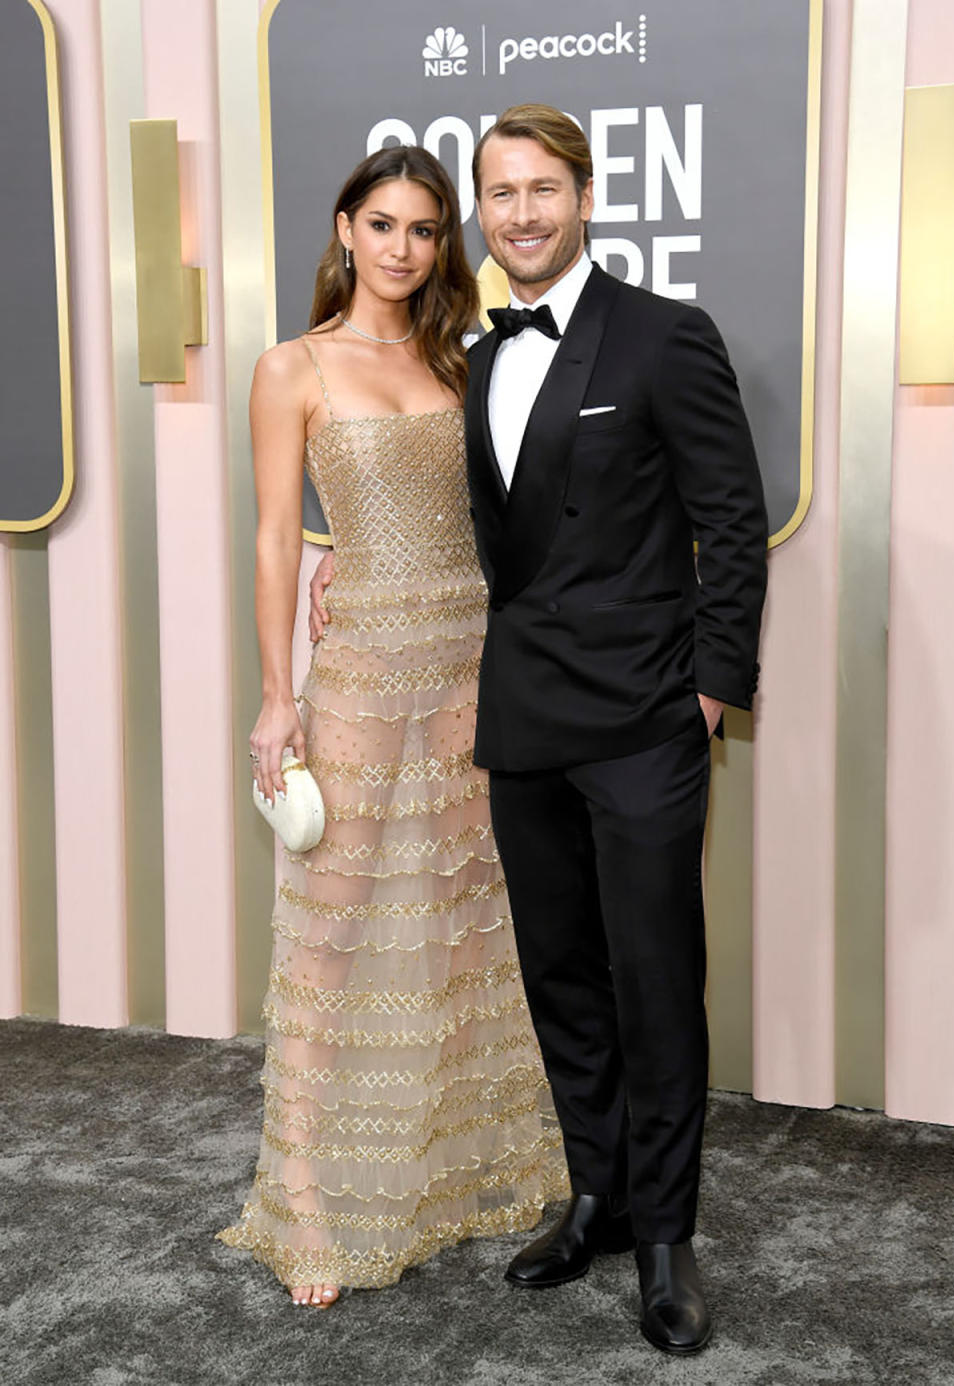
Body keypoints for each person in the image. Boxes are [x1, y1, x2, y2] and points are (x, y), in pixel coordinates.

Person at [217, 145, 567, 1311]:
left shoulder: (460, 362)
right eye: (383, 225)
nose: (404, 249)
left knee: (469, 922)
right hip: (362, 676)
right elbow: (276, 536)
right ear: (344, 229)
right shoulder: (291, 366)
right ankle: (310, 1205)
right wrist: (280, 694)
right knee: (333, 937)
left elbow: (488, 518)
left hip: (473, 664)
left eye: (425, 229)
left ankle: (460, 1176)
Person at [463, 105, 769, 1355]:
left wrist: (710, 688)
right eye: (501, 193)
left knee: (655, 982)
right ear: (481, 208)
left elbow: (731, 523)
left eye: (544, 189)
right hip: (524, 715)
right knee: (562, 976)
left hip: (645, 716)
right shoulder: (478, 356)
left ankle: (666, 1236)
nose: (522, 213)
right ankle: (594, 1191)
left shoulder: (663, 335)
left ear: (586, 196)